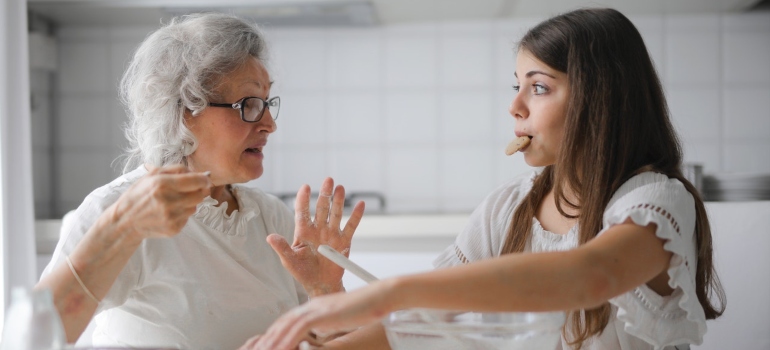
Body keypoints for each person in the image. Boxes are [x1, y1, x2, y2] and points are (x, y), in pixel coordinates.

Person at [248, 8, 726, 350]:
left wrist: (393, 290)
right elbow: (418, 325)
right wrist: (312, 328)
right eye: (516, 86)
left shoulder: (656, 202)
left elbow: (590, 276)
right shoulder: (508, 207)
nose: (515, 106)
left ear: (601, 100)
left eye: (539, 87)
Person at [36, 13, 364, 349]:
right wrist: (120, 228)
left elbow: (331, 343)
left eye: (267, 103)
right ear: (183, 111)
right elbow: (34, 337)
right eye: (249, 104)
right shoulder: (118, 210)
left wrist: (324, 291)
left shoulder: (271, 218)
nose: (269, 123)